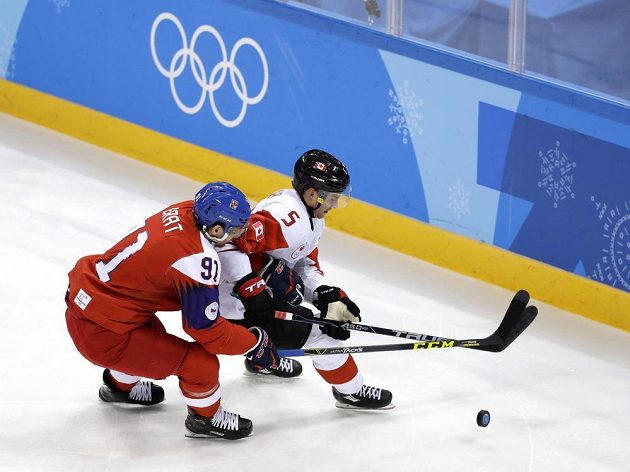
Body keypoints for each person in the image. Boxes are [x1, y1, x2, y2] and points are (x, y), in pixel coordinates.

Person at [64, 182, 280, 440]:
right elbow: (205, 330)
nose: (239, 235)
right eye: (235, 229)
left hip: (98, 304)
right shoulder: (197, 259)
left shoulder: (187, 210)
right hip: (105, 331)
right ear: (216, 228)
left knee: (151, 339)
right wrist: (254, 343)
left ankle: (119, 387)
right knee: (200, 365)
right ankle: (205, 419)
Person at [217, 149, 393, 410]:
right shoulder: (285, 217)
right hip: (236, 307)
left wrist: (324, 294)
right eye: (332, 198)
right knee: (323, 338)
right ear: (313, 194)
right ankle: (351, 392)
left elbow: (304, 264)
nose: (334, 205)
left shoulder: (310, 217)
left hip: (251, 302)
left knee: (294, 306)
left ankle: (262, 359)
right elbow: (228, 240)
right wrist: (262, 275)